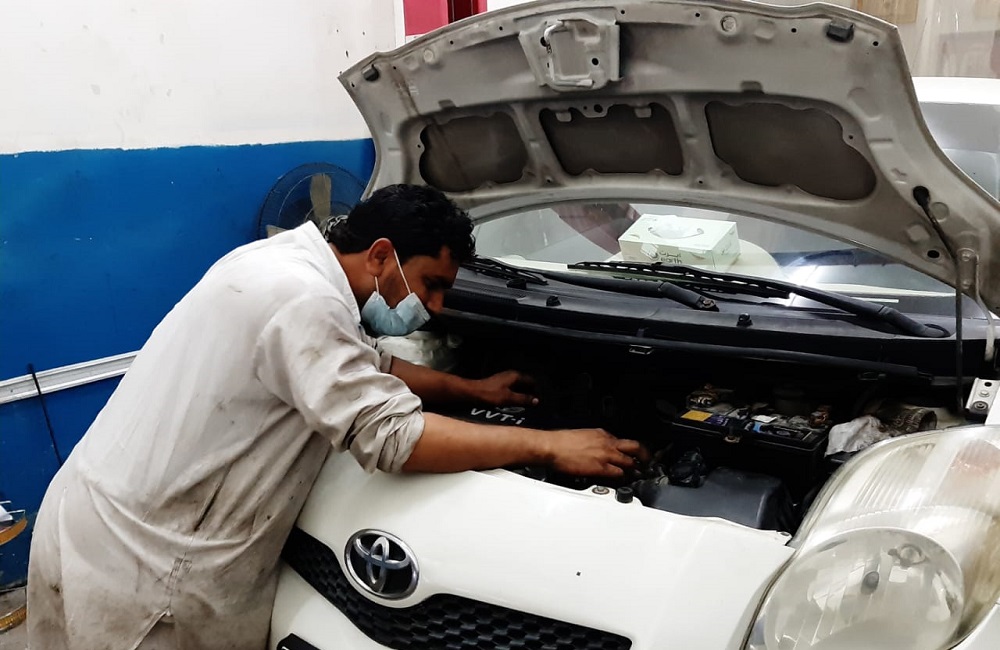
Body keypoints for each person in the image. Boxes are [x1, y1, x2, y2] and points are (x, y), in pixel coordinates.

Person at [27, 183, 645, 650]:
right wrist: (548, 445)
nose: (434, 307)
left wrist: (469, 388)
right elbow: (395, 438)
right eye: (430, 283)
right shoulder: (302, 300)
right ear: (381, 255)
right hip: (150, 569)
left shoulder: (282, 263)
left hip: (97, 516)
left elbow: (368, 362)